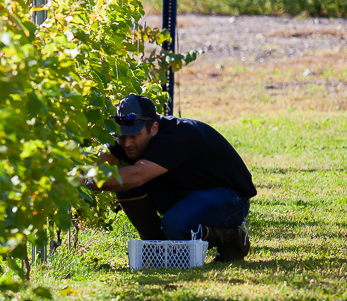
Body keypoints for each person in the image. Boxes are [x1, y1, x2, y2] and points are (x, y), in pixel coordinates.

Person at [94, 94, 256, 262]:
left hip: (230, 198)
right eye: (122, 135)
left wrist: (85, 182)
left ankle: (231, 238)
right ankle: (157, 248)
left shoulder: (178, 135)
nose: (127, 143)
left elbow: (136, 175)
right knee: (126, 187)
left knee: (175, 225)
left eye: (134, 135)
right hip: (187, 195)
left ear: (154, 128)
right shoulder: (127, 135)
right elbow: (97, 168)